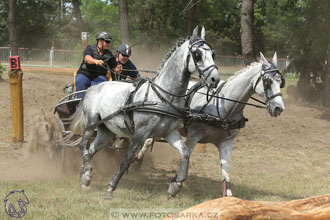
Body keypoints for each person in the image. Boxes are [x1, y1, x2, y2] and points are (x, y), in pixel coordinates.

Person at [75, 31, 121, 98]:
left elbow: (115, 68)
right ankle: (80, 102)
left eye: (109, 42)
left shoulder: (109, 55)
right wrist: (96, 61)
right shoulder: (90, 48)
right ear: (99, 41)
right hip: (85, 74)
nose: (108, 44)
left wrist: (119, 68)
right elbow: (87, 58)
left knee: (101, 85)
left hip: (99, 76)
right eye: (107, 42)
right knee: (80, 80)